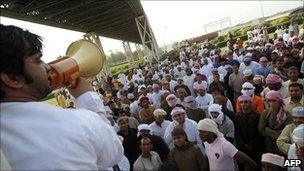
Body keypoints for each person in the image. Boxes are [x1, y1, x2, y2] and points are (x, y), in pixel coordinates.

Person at [0, 24, 123, 170]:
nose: (47, 67)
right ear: (12, 78)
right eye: (38, 60)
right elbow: (113, 152)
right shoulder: (77, 124)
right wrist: (87, 97)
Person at [259, 90, 293, 155]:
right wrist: (276, 133)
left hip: (282, 145)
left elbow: (286, 133)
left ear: (279, 101)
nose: (271, 103)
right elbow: (261, 129)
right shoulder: (265, 113)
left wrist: (268, 130)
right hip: (269, 143)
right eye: (269, 101)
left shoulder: (287, 114)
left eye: (274, 100)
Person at [235, 95, 263, 166]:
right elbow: (237, 131)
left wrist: (251, 143)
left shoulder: (257, 116)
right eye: (241, 102)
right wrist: (243, 144)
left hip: (255, 147)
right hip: (242, 146)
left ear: (251, 103)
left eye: (246, 102)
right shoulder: (237, 116)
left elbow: (259, 132)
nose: (243, 104)